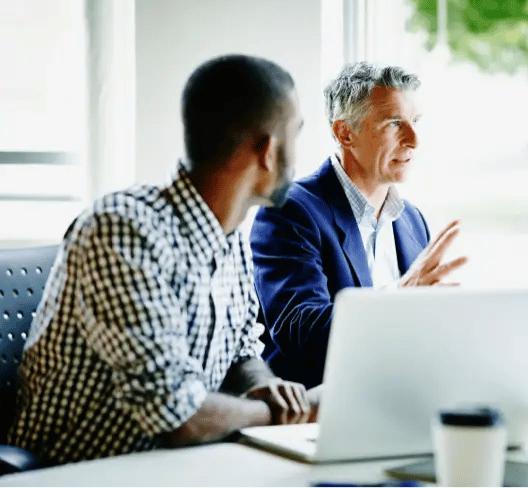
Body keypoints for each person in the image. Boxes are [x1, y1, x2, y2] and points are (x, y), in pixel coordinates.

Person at [8, 54, 315, 466]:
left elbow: (241, 350)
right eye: (297, 133)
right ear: (268, 151)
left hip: (185, 465)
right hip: (83, 471)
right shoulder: (124, 229)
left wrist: (265, 386)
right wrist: (291, 414)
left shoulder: (232, 237)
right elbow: (174, 413)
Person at [250, 62, 469, 389]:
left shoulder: (411, 219)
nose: (414, 140)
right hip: (317, 414)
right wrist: (400, 298)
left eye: (416, 122)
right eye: (395, 123)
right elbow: (302, 335)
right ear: (345, 133)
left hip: (402, 399)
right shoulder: (290, 211)